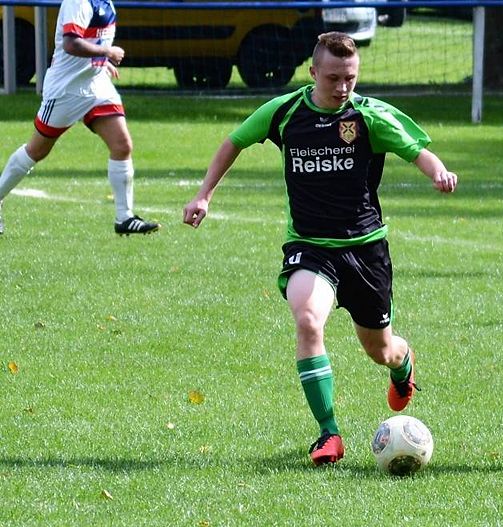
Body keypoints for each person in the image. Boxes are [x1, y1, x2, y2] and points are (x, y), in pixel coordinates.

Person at [183, 32, 458, 466]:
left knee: (380, 349)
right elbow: (234, 141)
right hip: (310, 247)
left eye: (350, 78)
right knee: (308, 320)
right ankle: (329, 433)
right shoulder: (285, 112)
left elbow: (417, 150)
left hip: (365, 250)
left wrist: (438, 172)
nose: (343, 87)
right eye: (333, 78)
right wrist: (204, 194)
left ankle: (402, 365)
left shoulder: (369, 116)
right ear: (313, 72)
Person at [0, 0, 159, 236]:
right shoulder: (79, 2)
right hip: (67, 90)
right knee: (37, 150)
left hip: (95, 85)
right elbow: (71, 43)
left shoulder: (104, 1)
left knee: (122, 145)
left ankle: (124, 217)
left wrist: (101, 62)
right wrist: (107, 52)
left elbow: (93, 39)